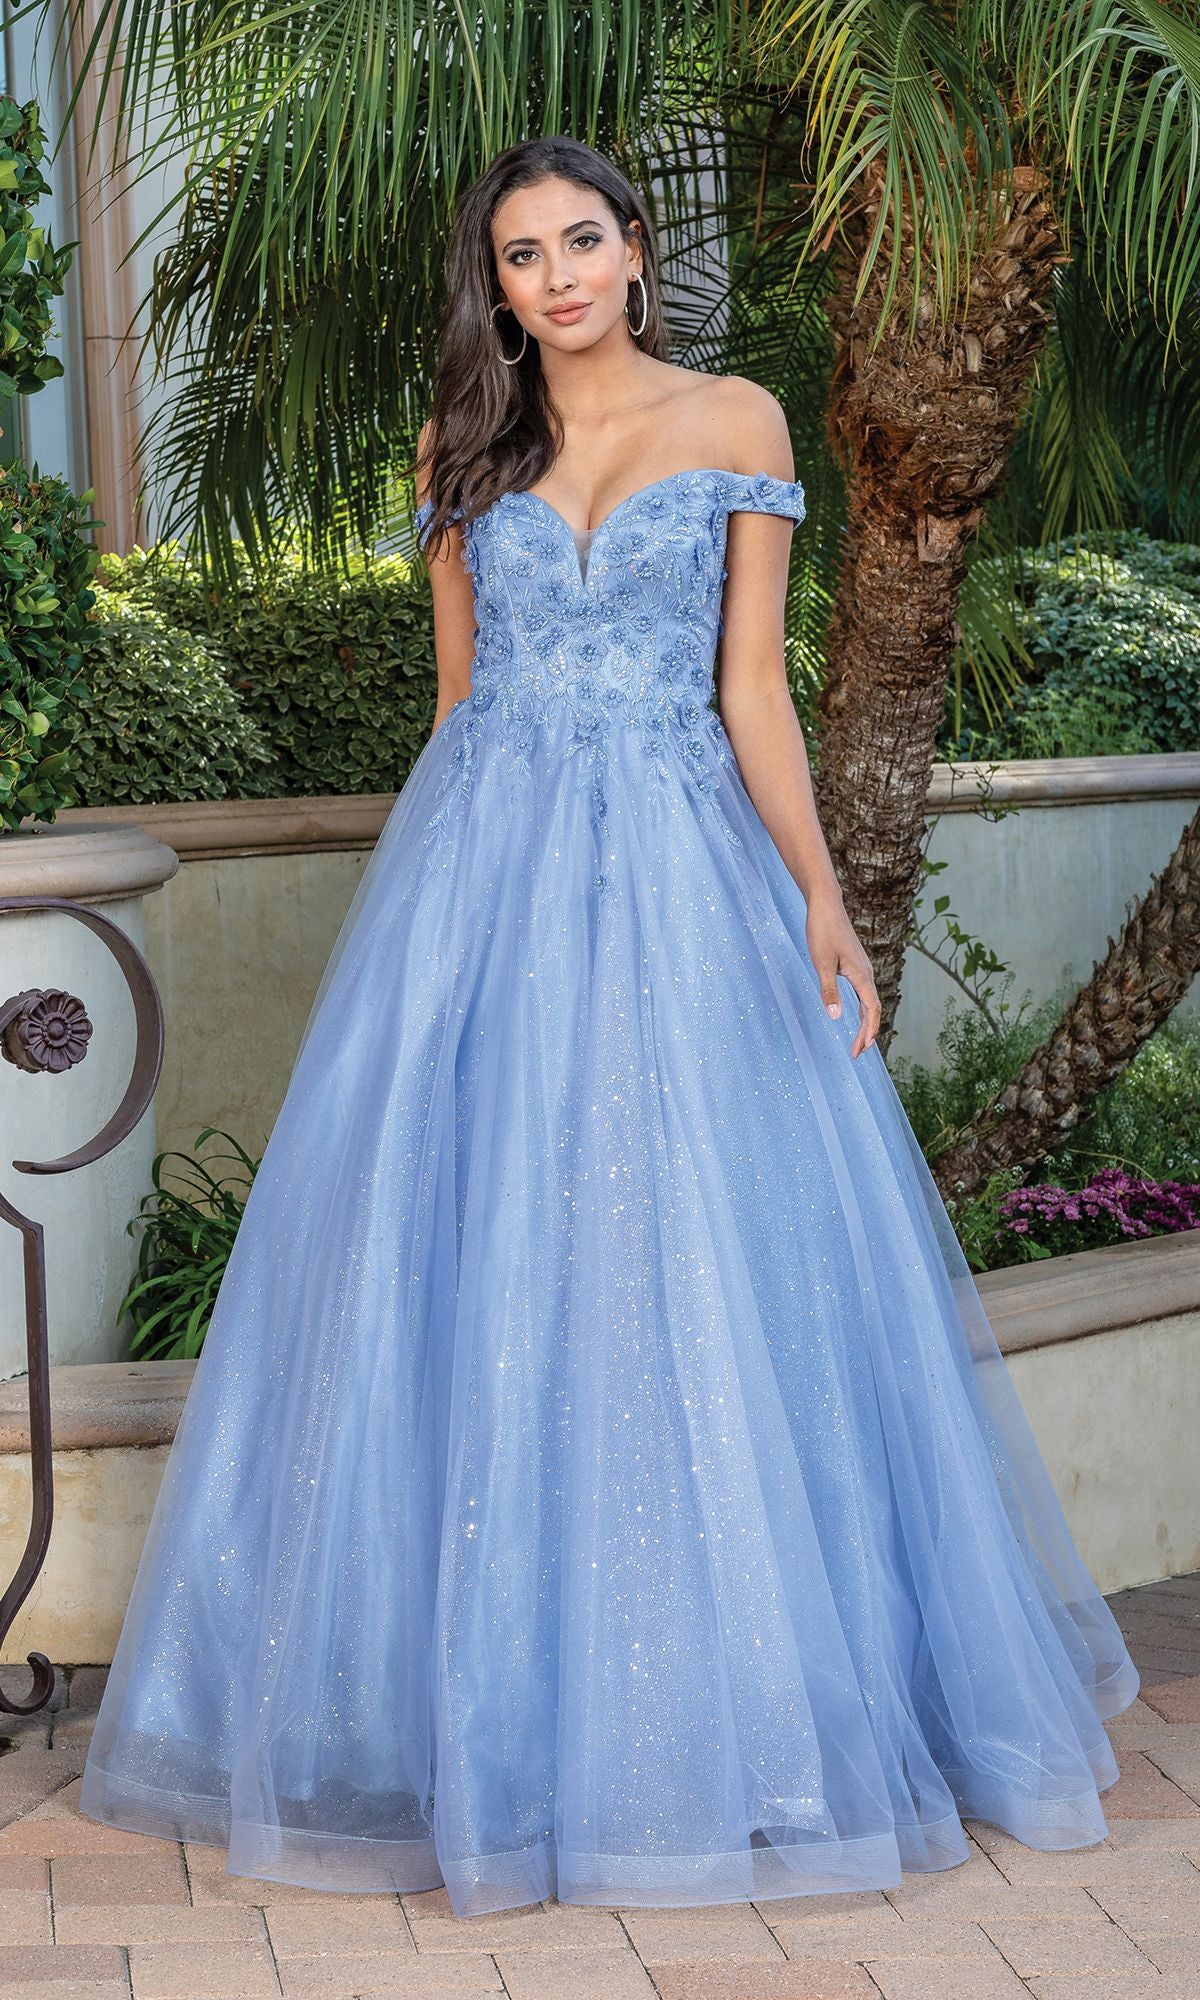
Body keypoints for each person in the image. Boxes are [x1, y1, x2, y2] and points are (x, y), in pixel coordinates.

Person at [78, 134, 1138, 1920]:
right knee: (482, 1261)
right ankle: (479, 1726)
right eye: (519, 254)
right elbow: (456, 702)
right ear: (492, 286)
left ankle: (704, 1716)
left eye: (582, 240)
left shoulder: (739, 421)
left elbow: (753, 694)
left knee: (684, 1259)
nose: (556, 275)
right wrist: (417, 938)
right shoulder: (460, 446)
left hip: (675, 876)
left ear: (639, 252)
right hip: (483, 873)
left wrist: (817, 894)